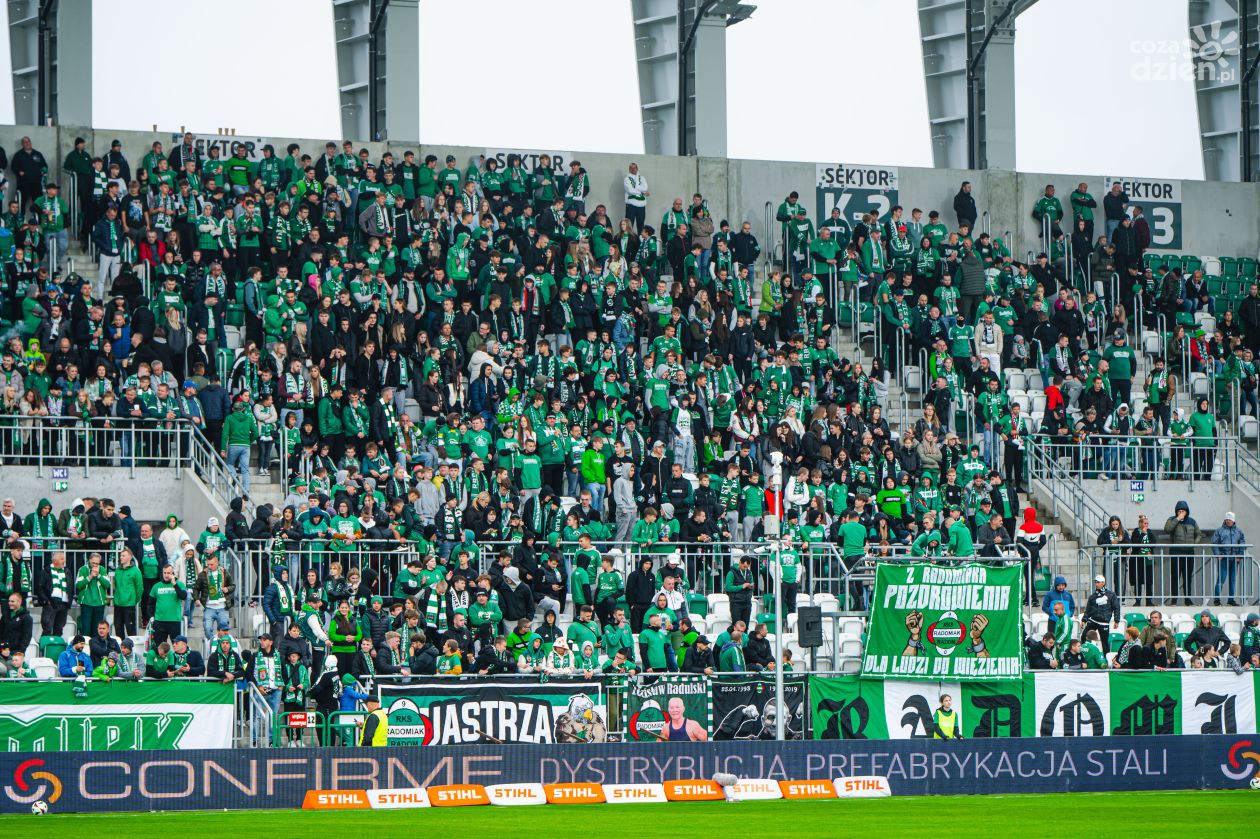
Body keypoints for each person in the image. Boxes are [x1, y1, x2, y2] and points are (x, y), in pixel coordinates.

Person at [1163, 500, 1202, 605]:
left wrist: (1194, 543)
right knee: (1175, 577)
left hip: (1189, 553)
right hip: (1176, 553)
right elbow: (1167, 529)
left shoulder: (1192, 521)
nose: (1181, 513)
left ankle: (1187, 599)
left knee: (1187, 577)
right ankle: (1174, 600)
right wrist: (1177, 519)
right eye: (1179, 511)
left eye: (1183, 511)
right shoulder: (1171, 520)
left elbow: (1199, 534)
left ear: (1187, 511)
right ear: (1176, 512)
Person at [1210, 512, 1245, 607]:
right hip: (1224, 558)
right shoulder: (1219, 531)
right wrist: (1218, 555)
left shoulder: (1239, 531)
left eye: (1230, 519)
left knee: (1233, 580)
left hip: (1234, 559)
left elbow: (1242, 544)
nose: (1228, 521)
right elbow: (1214, 543)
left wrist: (1239, 556)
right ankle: (1217, 600)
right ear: (1225, 520)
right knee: (1221, 579)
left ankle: (1231, 600)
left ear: (1233, 520)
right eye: (1227, 519)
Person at [1080, 574, 1119, 654]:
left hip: (1104, 622)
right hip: (1093, 620)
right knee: (1083, 637)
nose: (1096, 584)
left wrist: (1116, 620)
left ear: (1103, 583)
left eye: (1098, 582)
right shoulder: (1093, 596)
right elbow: (1088, 609)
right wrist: (1084, 620)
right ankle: (1083, 655)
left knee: (1105, 644)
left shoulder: (1111, 595)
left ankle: (1106, 660)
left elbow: (1116, 607)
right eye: (1095, 582)